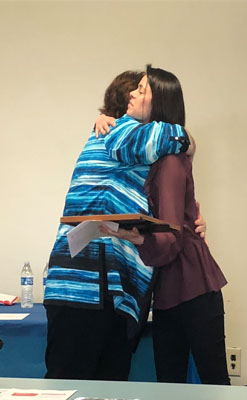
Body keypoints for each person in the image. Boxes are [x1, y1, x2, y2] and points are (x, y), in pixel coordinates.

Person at [43, 69, 193, 381]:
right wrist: (188, 138)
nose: (133, 96)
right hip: (86, 285)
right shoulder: (121, 131)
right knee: (70, 383)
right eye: (134, 89)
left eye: (142, 90)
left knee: (105, 385)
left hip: (103, 286)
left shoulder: (124, 136)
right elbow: (178, 137)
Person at [99, 64, 230, 385]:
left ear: (158, 104)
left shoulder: (170, 161)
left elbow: (169, 238)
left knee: (208, 384)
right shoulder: (159, 154)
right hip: (175, 288)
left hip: (191, 286)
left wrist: (134, 237)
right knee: (174, 384)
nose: (133, 93)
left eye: (142, 90)